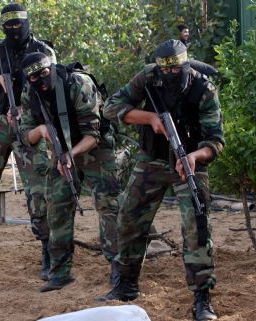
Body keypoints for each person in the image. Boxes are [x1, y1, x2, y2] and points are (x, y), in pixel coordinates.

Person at [97, 39, 225, 321]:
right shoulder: (148, 77)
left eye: (175, 70)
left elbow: (216, 140)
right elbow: (110, 106)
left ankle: (202, 298)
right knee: (129, 216)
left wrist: (195, 156)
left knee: (197, 225)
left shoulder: (203, 89)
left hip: (189, 162)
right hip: (152, 159)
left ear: (186, 65)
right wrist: (149, 118)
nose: (169, 75)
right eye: (164, 70)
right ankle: (126, 284)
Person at [0, 3, 56, 281]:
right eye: (9, 25)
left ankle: (47, 250)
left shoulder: (43, 50)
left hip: (29, 126)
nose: (14, 30)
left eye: (19, 23)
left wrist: (26, 111)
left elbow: (53, 85)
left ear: (27, 22)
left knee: (37, 187)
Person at [19, 52, 120, 292]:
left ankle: (119, 267)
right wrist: (40, 130)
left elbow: (93, 135)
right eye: (35, 77)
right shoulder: (29, 93)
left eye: (45, 73)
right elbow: (24, 135)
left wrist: (70, 156)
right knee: (57, 205)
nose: (42, 80)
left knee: (108, 205)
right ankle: (60, 270)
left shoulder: (78, 83)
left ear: (51, 68)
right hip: (61, 149)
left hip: (95, 148)